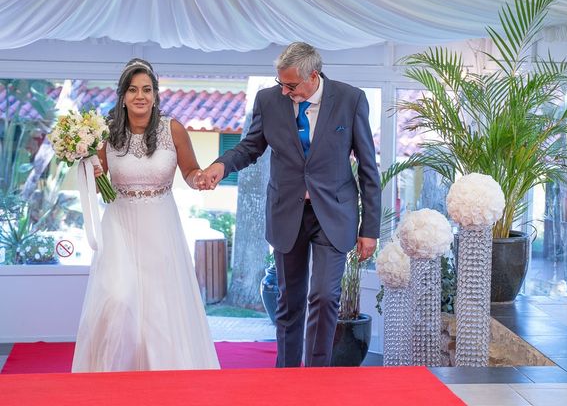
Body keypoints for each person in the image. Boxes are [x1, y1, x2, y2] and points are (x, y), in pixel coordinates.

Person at [202, 42, 381, 367]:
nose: (284, 91)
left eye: (291, 85)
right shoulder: (269, 100)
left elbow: (368, 166)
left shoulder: (350, 99)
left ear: (313, 76)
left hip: (334, 212)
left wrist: (370, 229)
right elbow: (250, 147)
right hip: (287, 211)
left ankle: (315, 379)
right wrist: (221, 166)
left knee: (325, 296)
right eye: (280, 83)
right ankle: (286, 377)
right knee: (290, 300)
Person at [72, 58, 219, 372]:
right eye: (133, 89)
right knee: (117, 297)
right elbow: (97, 186)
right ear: (123, 96)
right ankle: (112, 373)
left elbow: (191, 171)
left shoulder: (172, 129)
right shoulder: (106, 133)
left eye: (147, 89)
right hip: (119, 226)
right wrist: (88, 166)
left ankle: (160, 375)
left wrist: (200, 179)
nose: (141, 96)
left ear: (155, 95)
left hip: (160, 226)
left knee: (158, 305)